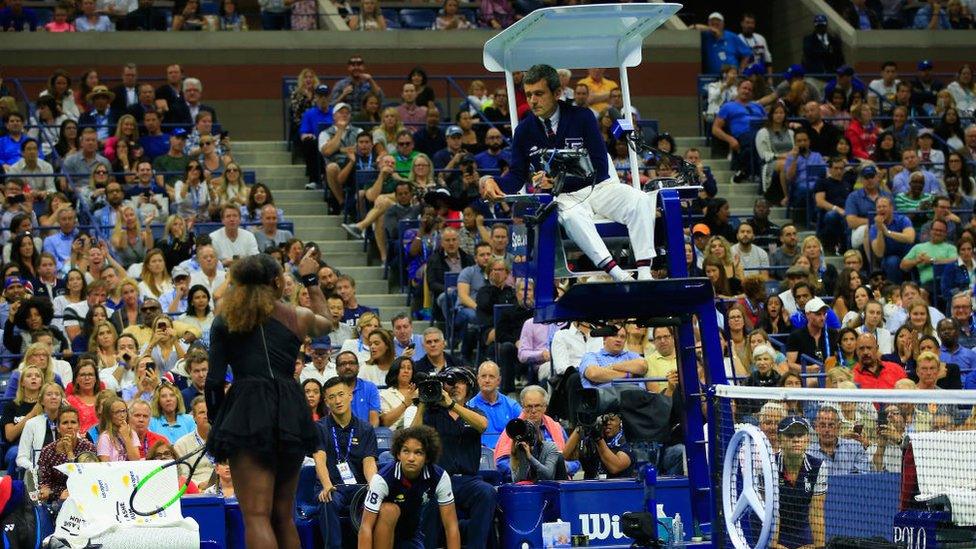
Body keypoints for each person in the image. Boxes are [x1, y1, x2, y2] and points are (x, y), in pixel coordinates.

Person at [479, 64, 657, 282]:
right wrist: (490, 181)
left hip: (598, 187)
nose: (533, 100)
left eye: (539, 94)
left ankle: (645, 273)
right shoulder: (524, 130)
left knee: (639, 198)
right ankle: (617, 274)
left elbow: (600, 168)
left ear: (557, 93)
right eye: (528, 95)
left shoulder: (582, 117)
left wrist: (560, 181)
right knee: (571, 215)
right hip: (565, 198)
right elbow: (516, 176)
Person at [206, 252, 332, 549]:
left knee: (256, 516)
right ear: (276, 282)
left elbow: (213, 380)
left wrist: (218, 422)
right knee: (283, 516)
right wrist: (311, 281)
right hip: (291, 410)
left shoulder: (225, 320)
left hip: (247, 410)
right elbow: (326, 322)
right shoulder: (296, 316)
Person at [411, 367, 494, 549]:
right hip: (438, 479)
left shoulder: (476, 413)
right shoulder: (432, 414)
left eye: (460, 381)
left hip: (468, 481)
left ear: (469, 387)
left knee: (487, 492)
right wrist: (422, 404)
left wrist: (452, 405)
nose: (455, 385)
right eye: (450, 382)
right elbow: (412, 438)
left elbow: (482, 426)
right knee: (428, 499)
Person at [358, 426, 460, 549]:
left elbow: (451, 526)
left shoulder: (440, 477)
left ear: (427, 457)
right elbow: (366, 527)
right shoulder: (382, 479)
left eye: (418, 452)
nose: (411, 458)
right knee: (389, 510)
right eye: (406, 451)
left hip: (410, 532)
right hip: (378, 531)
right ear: (398, 454)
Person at [313, 376, 378, 549]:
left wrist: (373, 485)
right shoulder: (319, 427)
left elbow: (369, 461)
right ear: (326, 402)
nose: (338, 400)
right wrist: (326, 485)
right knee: (328, 499)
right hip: (334, 487)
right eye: (332, 397)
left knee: (378, 499)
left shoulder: (365, 428)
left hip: (359, 487)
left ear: (350, 395)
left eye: (341, 394)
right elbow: (320, 459)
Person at [771, 416, 826, 549]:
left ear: (807, 439)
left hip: (802, 532)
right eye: (790, 435)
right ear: (780, 439)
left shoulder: (818, 466)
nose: (796, 439)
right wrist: (773, 546)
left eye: (800, 435)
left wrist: (819, 547)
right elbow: (770, 513)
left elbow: (816, 512)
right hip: (772, 529)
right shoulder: (768, 465)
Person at [36, 406, 97, 506]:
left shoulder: (89, 448)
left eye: (73, 422)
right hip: (56, 498)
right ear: (58, 428)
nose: (69, 426)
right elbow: (44, 482)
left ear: (78, 426)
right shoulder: (47, 451)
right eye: (65, 423)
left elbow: (87, 479)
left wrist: (69, 453)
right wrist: (57, 492)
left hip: (84, 494)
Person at [466, 360, 521, 449]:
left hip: (507, 456)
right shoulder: (468, 407)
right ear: (478, 379)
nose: (487, 380)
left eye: (491, 376)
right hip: (480, 456)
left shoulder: (512, 406)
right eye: (483, 376)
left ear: (498, 380)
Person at [563, 411, 634, 480]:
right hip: (591, 489)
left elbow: (615, 467)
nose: (608, 423)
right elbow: (565, 456)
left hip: (617, 490)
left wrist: (598, 437)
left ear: (620, 422)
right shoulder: (591, 442)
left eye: (612, 420)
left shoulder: (625, 443)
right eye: (604, 420)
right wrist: (581, 426)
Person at [579, 325, 648, 389]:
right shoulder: (591, 356)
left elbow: (643, 365)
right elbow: (593, 374)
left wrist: (611, 367)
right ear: (605, 338)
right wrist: (628, 375)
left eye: (622, 337)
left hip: (638, 396)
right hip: (607, 398)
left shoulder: (631, 355)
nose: (618, 340)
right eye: (614, 336)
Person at [808, 405, 869, 474]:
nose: (827, 430)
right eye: (822, 426)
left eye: (831, 425)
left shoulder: (856, 448)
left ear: (839, 427)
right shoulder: (809, 454)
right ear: (816, 427)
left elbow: (862, 479)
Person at [334, 351, 381, 427]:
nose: (348, 367)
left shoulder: (370, 388)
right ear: (336, 369)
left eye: (351, 363)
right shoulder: (332, 389)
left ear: (358, 367)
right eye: (343, 364)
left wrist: (367, 436)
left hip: (365, 435)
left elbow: (374, 421)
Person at [95, 395, 140, 462]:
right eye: (117, 412)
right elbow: (105, 465)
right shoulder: (105, 437)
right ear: (109, 415)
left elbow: (135, 460)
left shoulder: (132, 433)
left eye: (123, 411)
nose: (122, 415)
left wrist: (126, 437)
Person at [379, 356, 418, 430]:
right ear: (395, 370)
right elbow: (385, 422)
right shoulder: (384, 394)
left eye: (409, 368)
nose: (406, 371)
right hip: (395, 436)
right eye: (402, 368)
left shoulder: (420, 393)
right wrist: (405, 404)